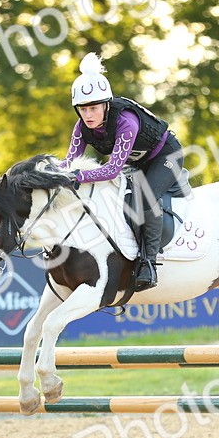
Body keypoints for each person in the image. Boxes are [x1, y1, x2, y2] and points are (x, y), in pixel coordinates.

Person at [59, 52, 189, 291]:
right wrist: (48, 172)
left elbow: (110, 170)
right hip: (139, 163)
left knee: (144, 197)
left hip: (166, 156)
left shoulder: (125, 121)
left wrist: (79, 176)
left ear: (106, 105)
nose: (88, 115)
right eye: (82, 109)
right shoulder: (81, 127)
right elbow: (69, 162)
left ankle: (148, 265)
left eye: (93, 108)